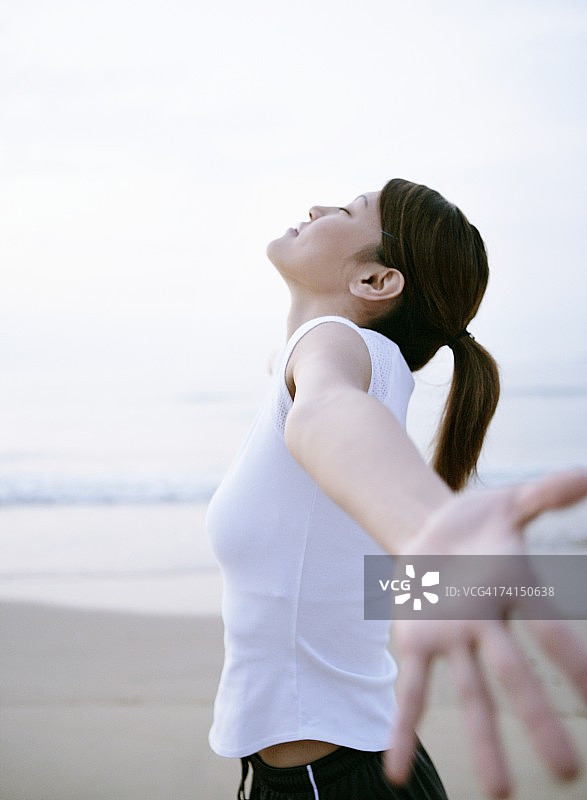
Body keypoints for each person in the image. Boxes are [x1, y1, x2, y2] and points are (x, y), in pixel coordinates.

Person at [205, 177, 587, 799]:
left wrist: (425, 526)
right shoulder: (349, 363)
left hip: (329, 779)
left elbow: (328, 412)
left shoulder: (334, 348)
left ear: (376, 280)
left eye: (348, 210)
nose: (317, 207)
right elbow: (344, 579)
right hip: (347, 765)